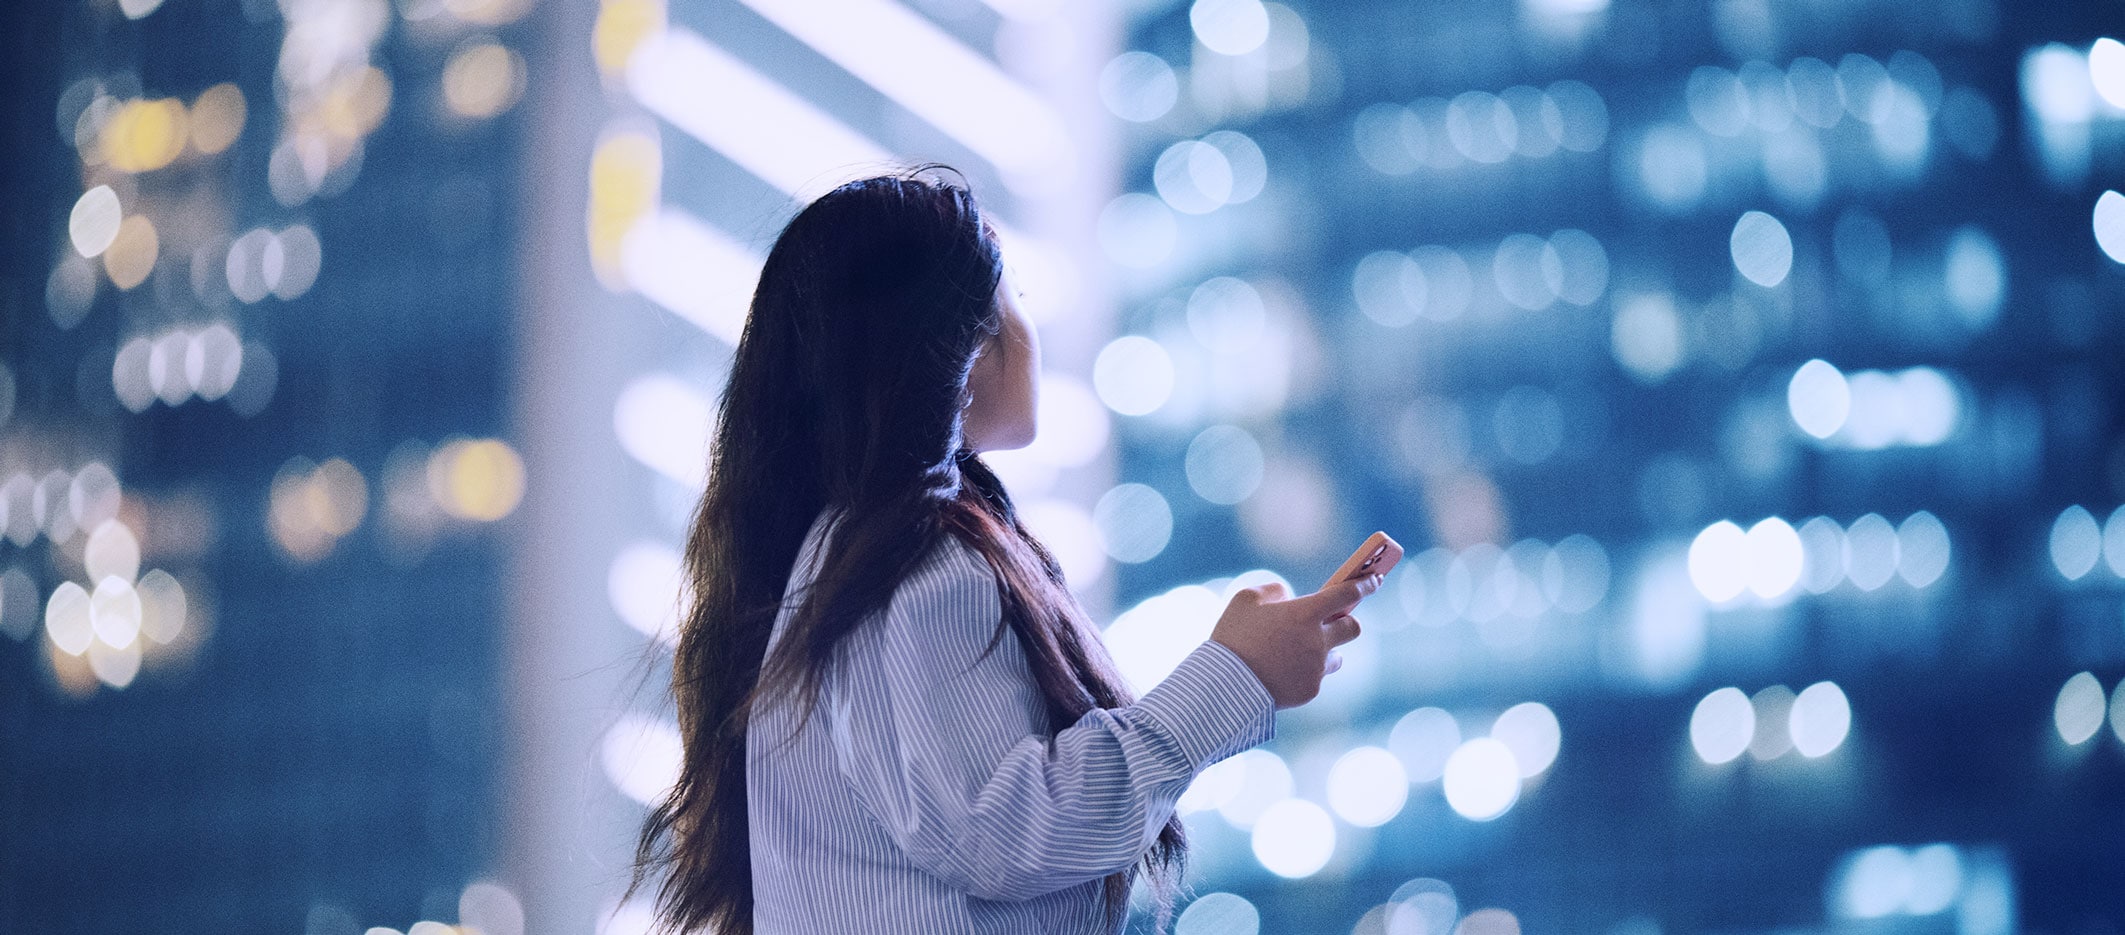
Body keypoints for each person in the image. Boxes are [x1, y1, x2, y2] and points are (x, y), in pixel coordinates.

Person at [624, 166, 1382, 935]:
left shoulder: (843, 558)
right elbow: (1005, 830)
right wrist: (1237, 673)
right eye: (1009, 295)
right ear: (963, 354)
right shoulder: (914, 566)